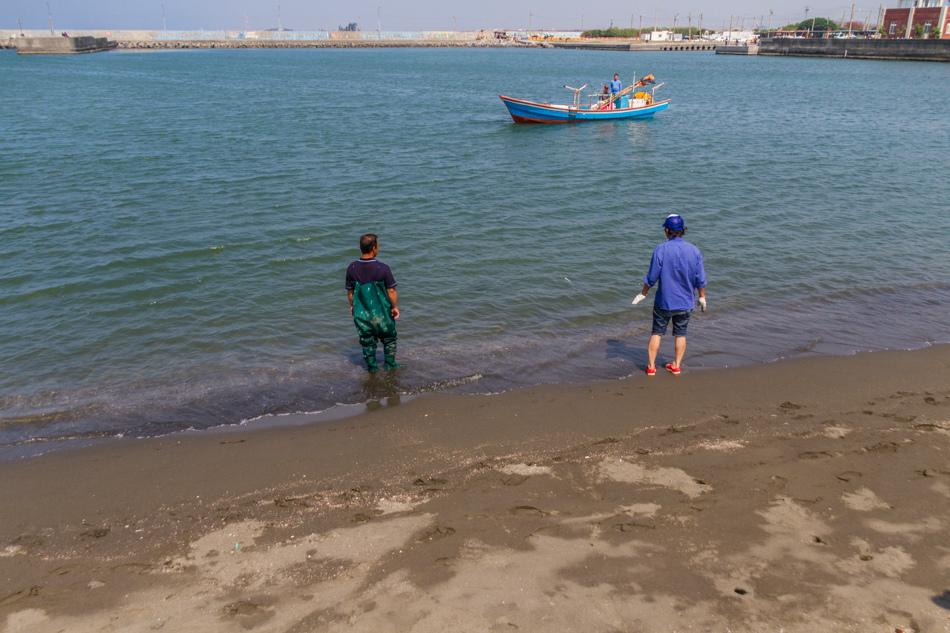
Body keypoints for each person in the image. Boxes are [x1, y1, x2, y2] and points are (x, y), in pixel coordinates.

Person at [632, 214, 707, 376]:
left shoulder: (661, 249)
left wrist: (643, 293)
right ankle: (676, 365)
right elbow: (700, 279)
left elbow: (652, 277)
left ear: (667, 231)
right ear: (682, 231)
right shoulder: (694, 250)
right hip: (686, 302)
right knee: (681, 333)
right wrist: (702, 296)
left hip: (664, 302)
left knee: (657, 332)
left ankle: (651, 367)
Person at [345, 234, 401, 372]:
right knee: (389, 339)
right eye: (378, 245)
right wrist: (395, 307)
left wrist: (353, 306)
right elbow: (391, 291)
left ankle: (372, 369)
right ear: (374, 248)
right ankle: (390, 365)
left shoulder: (351, 268)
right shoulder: (383, 268)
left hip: (362, 314)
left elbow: (350, 293)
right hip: (382, 313)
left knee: (367, 341)